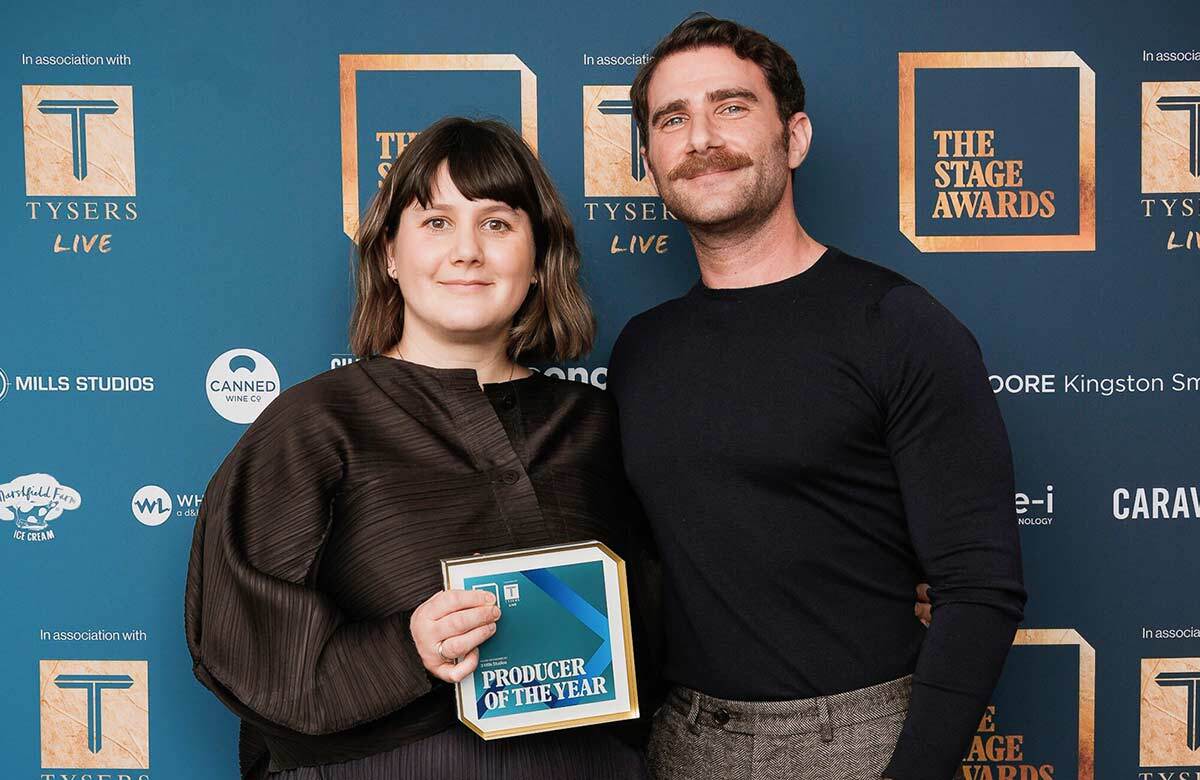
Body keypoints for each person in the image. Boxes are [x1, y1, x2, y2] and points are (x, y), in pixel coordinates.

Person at [608, 16, 1026, 780]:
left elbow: (979, 587)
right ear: (650, 158)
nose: (700, 137)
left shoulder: (898, 325)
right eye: (672, 119)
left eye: (731, 106)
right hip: (680, 741)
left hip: (861, 741)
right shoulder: (640, 349)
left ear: (794, 138)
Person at [184, 116, 657, 780]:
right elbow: (242, 641)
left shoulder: (596, 423)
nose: (467, 251)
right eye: (436, 223)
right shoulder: (315, 423)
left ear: (538, 256)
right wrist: (407, 651)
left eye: (497, 223)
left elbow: (665, 627)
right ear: (387, 254)